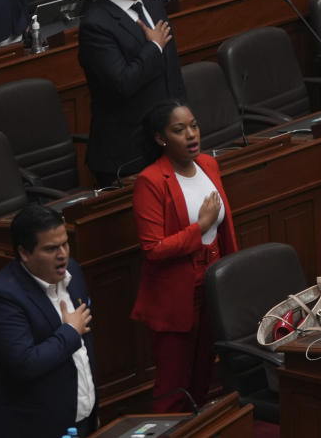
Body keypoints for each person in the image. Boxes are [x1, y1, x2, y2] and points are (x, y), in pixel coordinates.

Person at [132, 99, 237, 412]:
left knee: (203, 375)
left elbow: (223, 229)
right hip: (177, 293)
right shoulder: (150, 181)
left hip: (213, 283)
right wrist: (200, 226)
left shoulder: (209, 164)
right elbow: (154, 249)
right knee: (174, 386)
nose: (192, 135)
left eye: (194, 126)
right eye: (180, 130)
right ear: (161, 138)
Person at [0, 204, 96, 437]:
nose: (62, 254)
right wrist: (70, 332)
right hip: (34, 428)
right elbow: (25, 363)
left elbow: (84, 351)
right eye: (51, 248)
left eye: (65, 243)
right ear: (24, 253)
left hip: (79, 422)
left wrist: (90, 412)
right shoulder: (3, 298)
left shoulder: (72, 272)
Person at [77, 0, 185, 186]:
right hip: (128, 157)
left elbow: (171, 74)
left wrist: (183, 125)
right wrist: (154, 48)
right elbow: (122, 84)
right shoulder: (96, 26)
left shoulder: (153, 4)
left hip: (168, 145)